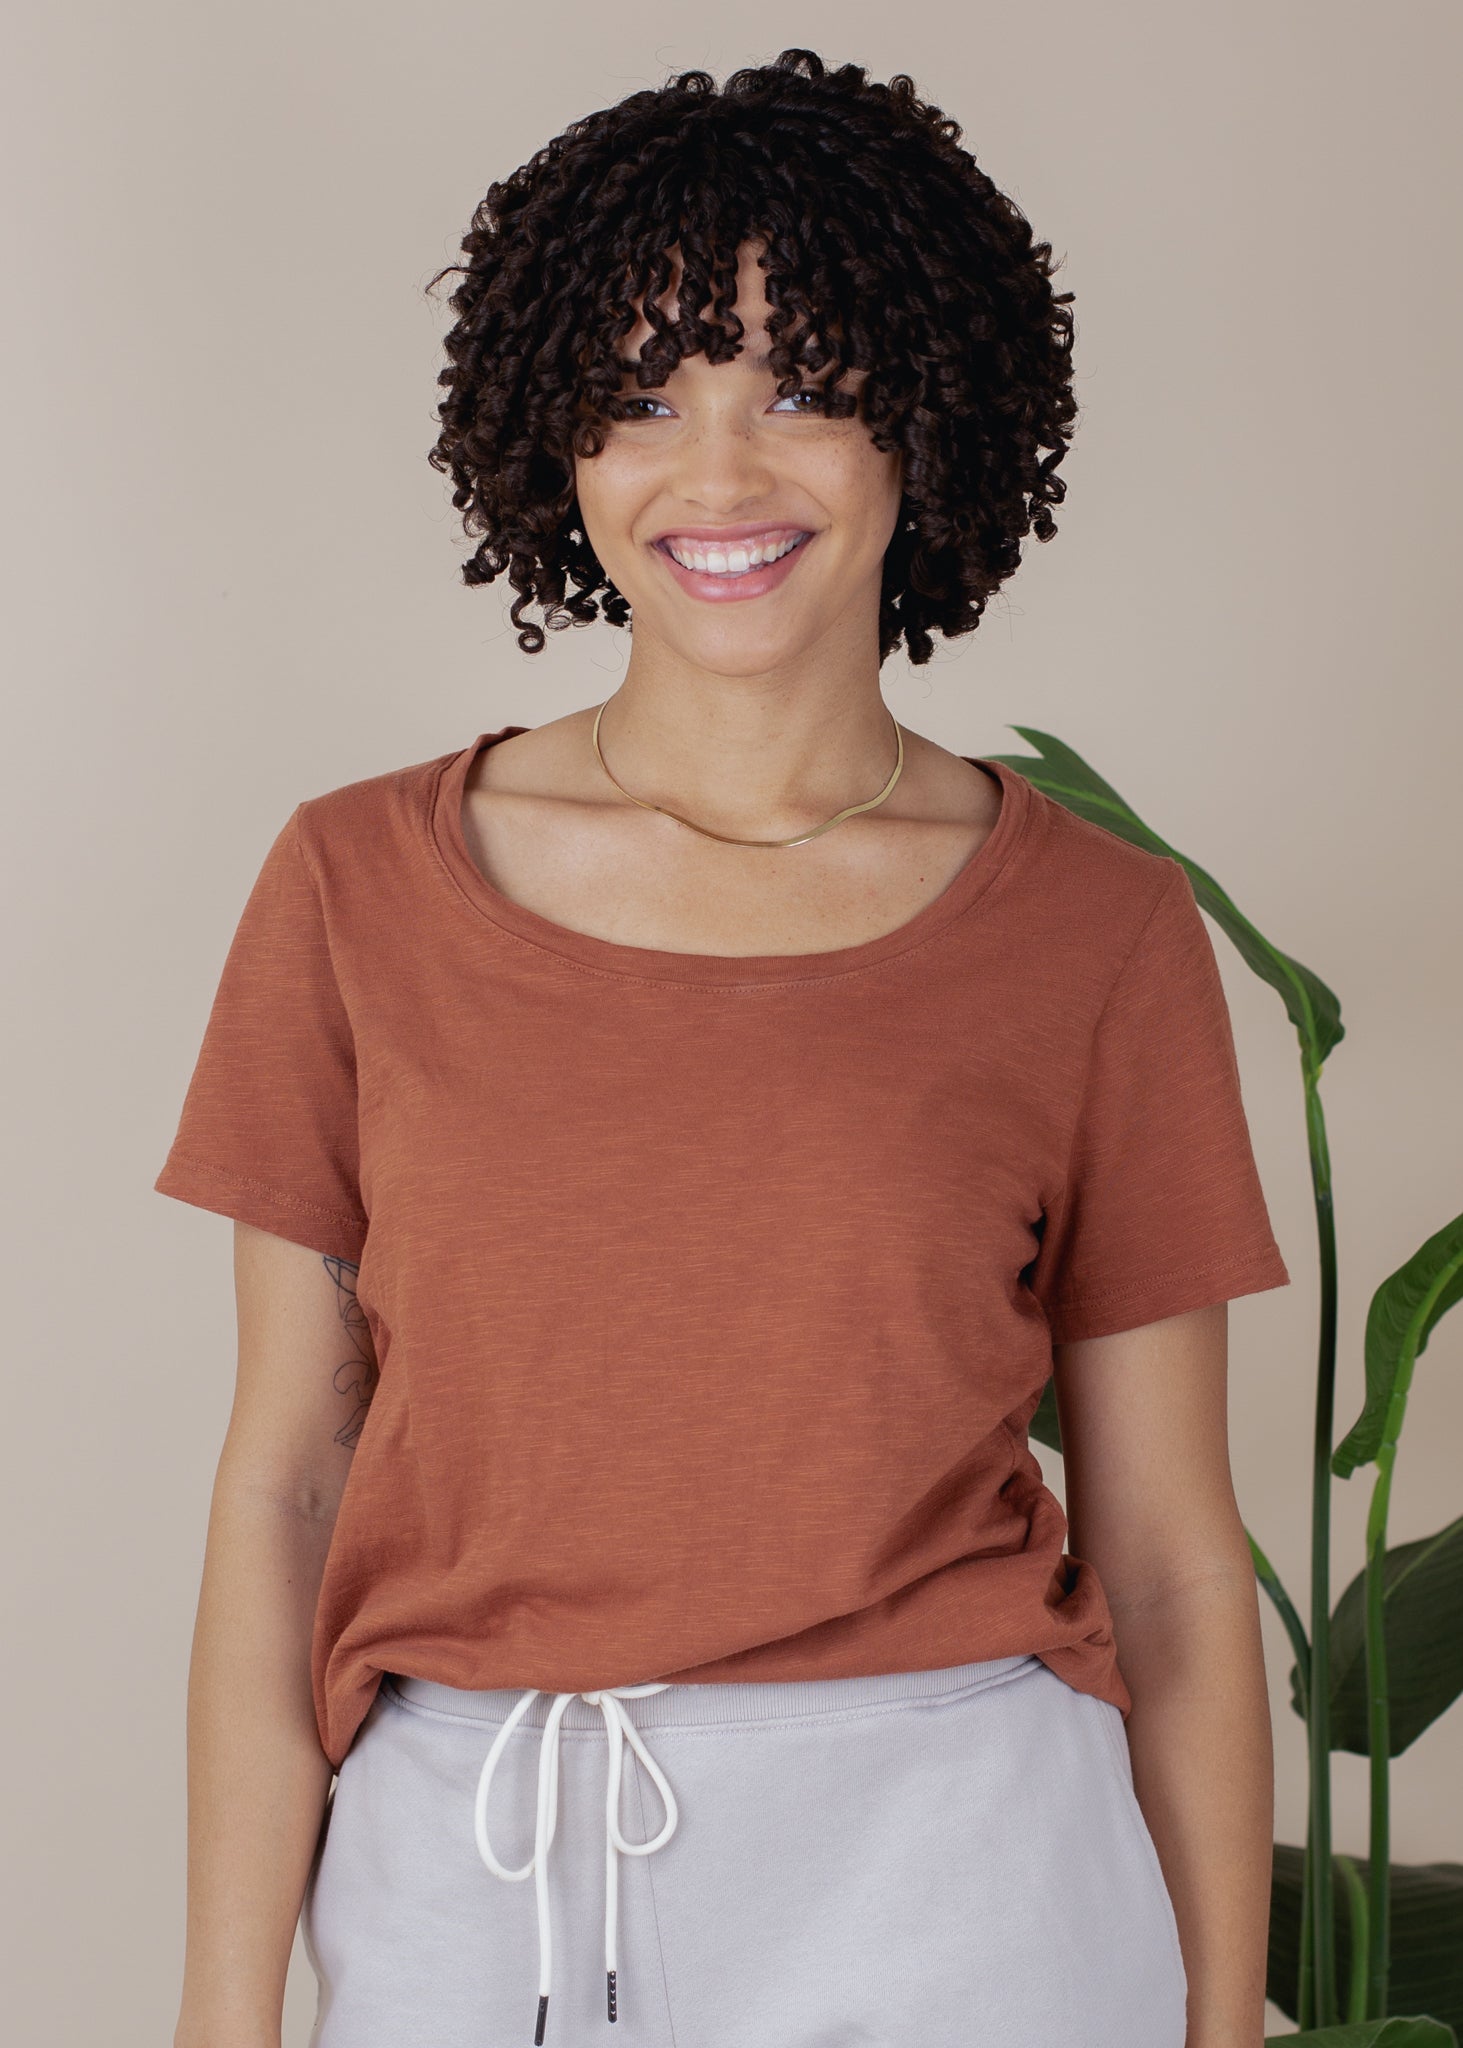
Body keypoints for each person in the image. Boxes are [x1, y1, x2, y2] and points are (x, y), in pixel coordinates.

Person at [156, 48, 1290, 2048]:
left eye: (804, 384)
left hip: (972, 1886)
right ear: (554, 442)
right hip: (477, 1867)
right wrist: (223, 2007)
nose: (721, 471)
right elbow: (283, 1487)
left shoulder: (1097, 929)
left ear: (926, 421)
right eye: (648, 394)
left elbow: (1179, 1562)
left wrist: (1219, 2023)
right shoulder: (353, 885)